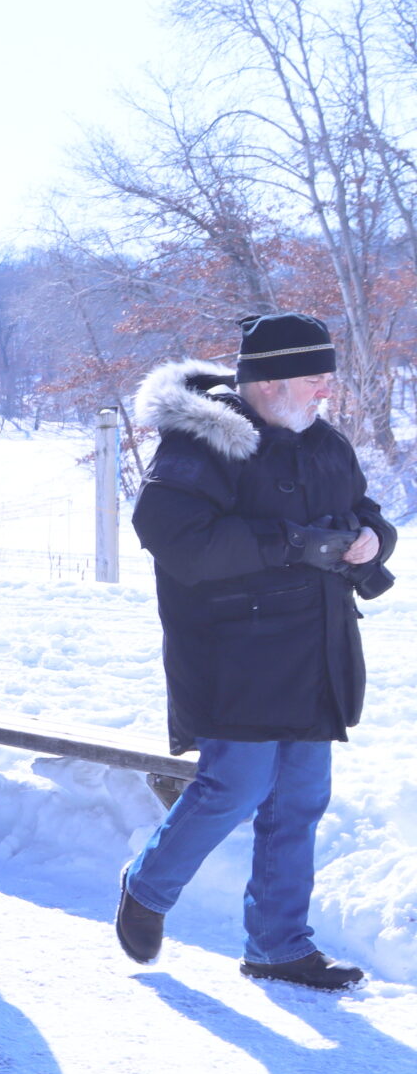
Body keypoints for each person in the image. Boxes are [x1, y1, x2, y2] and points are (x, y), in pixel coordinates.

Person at [114, 315, 395, 991]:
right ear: (268, 382)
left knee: (299, 800)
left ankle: (278, 944)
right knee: (232, 787)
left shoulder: (326, 442)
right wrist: (288, 541)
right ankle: (148, 887)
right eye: (312, 375)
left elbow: (367, 510)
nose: (326, 386)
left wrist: (370, 540)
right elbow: (172, 534)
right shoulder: (205, 444)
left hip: (317, 649)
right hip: (234, 653)